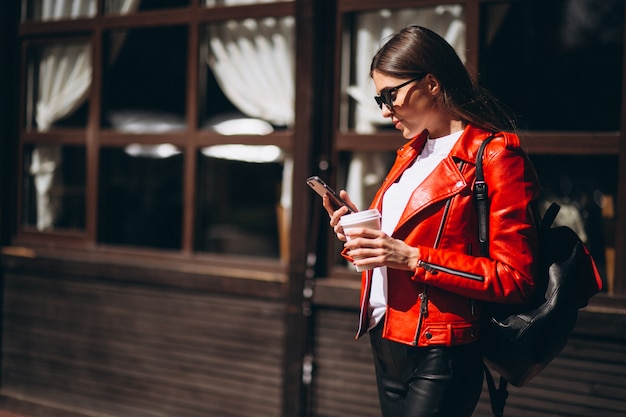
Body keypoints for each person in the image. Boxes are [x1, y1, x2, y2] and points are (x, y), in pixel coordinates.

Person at [322, 26, 541, 417]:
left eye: (392, 95)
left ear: (432, 83)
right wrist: (360, 236)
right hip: (386, 339)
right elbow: (395, 249)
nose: (384, 110)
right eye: (379, 98)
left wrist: (411, 258)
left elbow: (515, 278)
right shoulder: (412, 153)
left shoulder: (495, 156)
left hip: (442, 351)